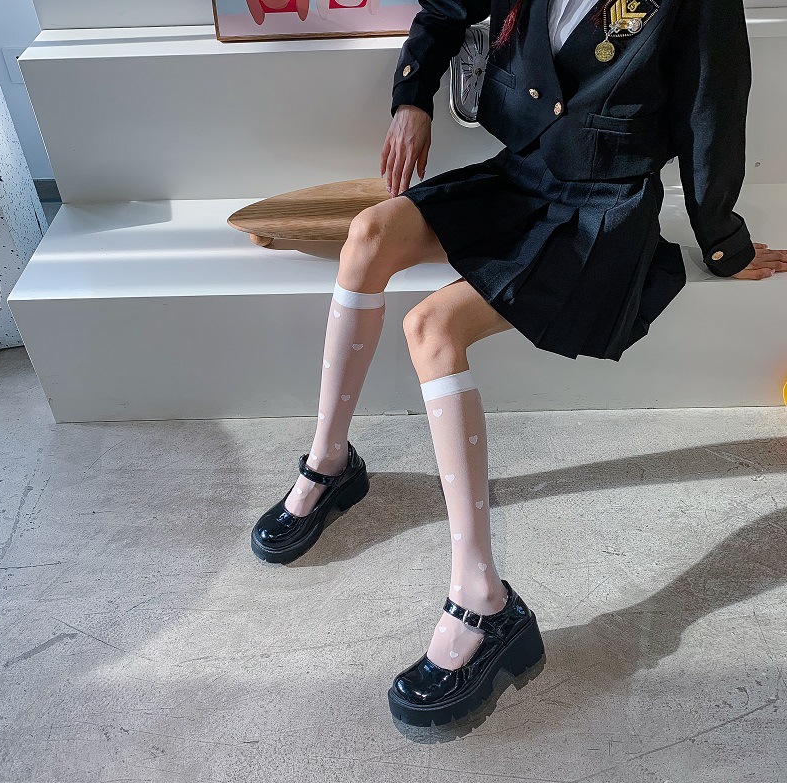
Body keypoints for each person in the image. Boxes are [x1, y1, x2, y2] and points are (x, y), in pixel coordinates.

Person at [252, 0, 787, 726]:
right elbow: (444, 9)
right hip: (525, 177)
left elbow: (712, 112)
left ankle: (483, 602)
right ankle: (329, 463)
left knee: (431, 327)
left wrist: (723, 245)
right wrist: (412, 100)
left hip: (604, 210)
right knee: (368, 234)